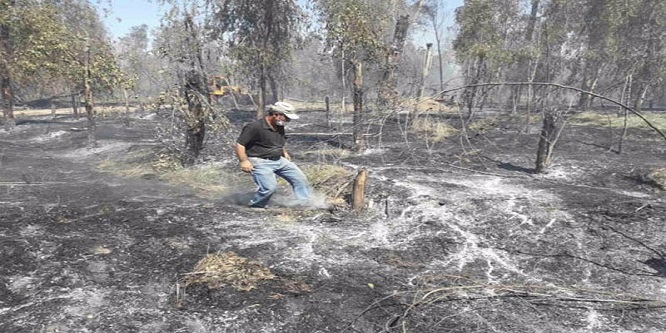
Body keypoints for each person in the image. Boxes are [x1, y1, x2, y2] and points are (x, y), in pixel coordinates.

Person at [235, 102, 312, 208]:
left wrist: (284, 152)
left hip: (278, 160)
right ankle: (256, 205)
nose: (288, 121)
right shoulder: (254, 127)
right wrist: (244, 161)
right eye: (286, 117)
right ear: (276, 114)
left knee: (300, 179)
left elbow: (278, 140)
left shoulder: (279, 125)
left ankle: (305, 203)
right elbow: (240, 144)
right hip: (259, 160)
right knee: (269, 188)